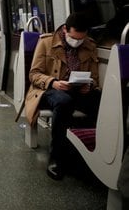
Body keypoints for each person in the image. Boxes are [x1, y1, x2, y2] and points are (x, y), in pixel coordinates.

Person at [25, 12, 101, 180]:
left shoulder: (90, 45)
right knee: (64, 101)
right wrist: (54, 82)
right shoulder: (46, 42)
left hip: (77, 89)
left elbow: (95, 78)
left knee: (100, 101)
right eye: (74, 38)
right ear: (65, 29)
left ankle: (94, 149)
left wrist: (89, 86)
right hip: (49, 89)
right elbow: (34, 74)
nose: (78, 42)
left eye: (81, 39)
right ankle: (56, 157)